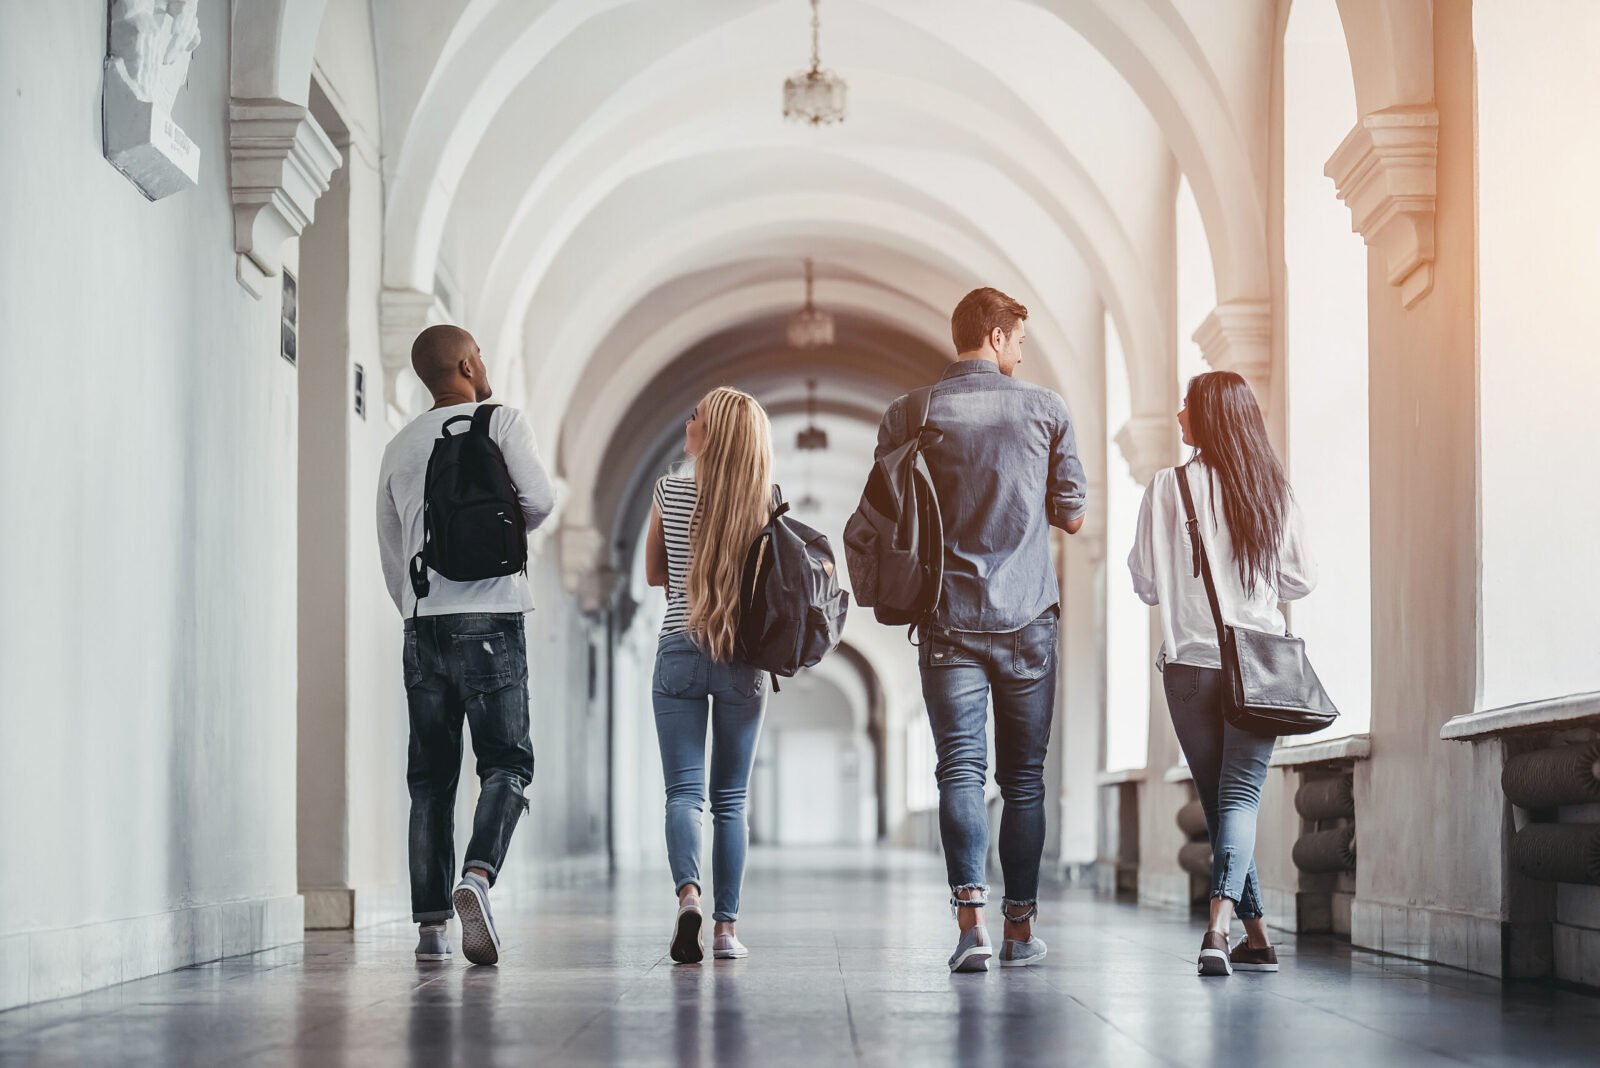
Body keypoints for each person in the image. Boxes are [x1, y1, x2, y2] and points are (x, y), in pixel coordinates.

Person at [874, 288, 1088, 973]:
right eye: (1019, 340)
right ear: (995, 337)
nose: (1022, 353)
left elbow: (886, 513)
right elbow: (1073, 515)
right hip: (1028, 619)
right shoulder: (1046, 408)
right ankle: (1020, 931)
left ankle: (971, 927)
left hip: (946, 619)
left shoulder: (909, 413)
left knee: (958, 771)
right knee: (1023, 780)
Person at [376, 324, 555, 965]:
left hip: (423, 623)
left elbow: (391, 551)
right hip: (493, 616)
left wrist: (421, 604)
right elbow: (540, 500)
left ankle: (430, 931)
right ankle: (476, 877)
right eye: (477, 352)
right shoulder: (500, 422)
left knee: (430, 778)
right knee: (506, 762)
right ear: (465, 362)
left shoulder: (398, 444)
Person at [1128, 370, 1316, 977]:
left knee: (1220, 803)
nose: (1179, 415)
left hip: (1188, 670)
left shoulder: (1165, 488)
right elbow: (1301, 580)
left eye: (1187, 406)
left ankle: (1237, 933)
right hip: (1258, 667)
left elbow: (1147, 584)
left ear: (1209, 418)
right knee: (1233, 802)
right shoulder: (1271, 490)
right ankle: (1230, 932)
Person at [644, 387, 774, 964]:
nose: (686, 420)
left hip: (678, 648)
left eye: (694, 415)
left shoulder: (668, 489)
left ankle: (688, 898)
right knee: (731, 801)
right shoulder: (764, 500)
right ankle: (725, 931)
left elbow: (654, 575)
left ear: (711, 434)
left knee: (683, 794)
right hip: (742, 658)